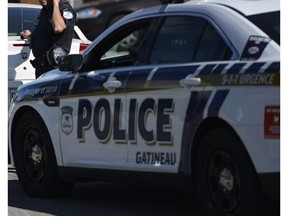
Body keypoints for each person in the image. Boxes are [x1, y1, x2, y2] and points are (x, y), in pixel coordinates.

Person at [20, 0, 76, 78]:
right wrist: (31, 37)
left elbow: (58, 28)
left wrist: (55, 3)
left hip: (55, 69)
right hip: (41, 68)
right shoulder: (45, 11)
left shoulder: (64, 9)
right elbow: (45, 37)